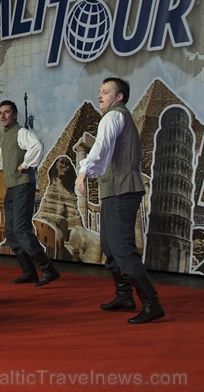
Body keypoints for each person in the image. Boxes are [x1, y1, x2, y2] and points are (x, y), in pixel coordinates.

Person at [76, 77, 164, 324]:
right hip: (116, 190)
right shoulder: (116, 117)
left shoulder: (114, 116)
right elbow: (105, 155)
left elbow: (101, 146)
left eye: (106, 91)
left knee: (122, 248)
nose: (100, 95)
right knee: (110, 245)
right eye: (99, 91)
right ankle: (124, 296)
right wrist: (89, 172)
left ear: (119, 97)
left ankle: (151, 302)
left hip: (122, 189)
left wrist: (84, 171)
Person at [0, 100, 59, 286]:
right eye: (0, 112)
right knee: (11, 232)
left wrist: (25, 165)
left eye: (7, 112)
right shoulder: (5, 137)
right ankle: (29, 271)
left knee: (21, 230)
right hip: (13, 187)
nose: (3, 115)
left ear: (15, 115)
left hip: (23, 185)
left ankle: (48, 269)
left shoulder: (21, 132)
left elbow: (37, 146)